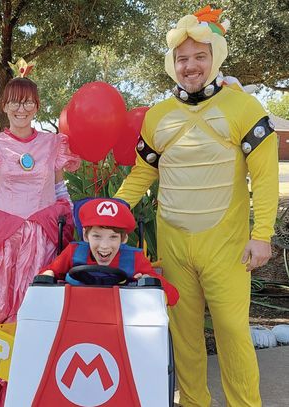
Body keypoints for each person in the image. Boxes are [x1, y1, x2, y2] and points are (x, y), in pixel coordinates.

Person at [114, 6, 278, 406]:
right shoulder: (157, 116)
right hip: (173, 245)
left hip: (227, 246)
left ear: (215, 58)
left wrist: (263, 236)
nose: (190, 66)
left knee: (232, 332)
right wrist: (110, 209)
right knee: (184, 335)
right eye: (182, 59)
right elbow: (141, 174)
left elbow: (266, 174)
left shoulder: (245, 109)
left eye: (199, 57)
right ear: (173, 65)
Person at [0, 73, 81, 406]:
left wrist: (72, 228)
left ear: (37, 105)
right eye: (14, 101)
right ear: (4, 105)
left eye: (27, 101)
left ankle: (35, 387)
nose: (20, 107)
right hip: (3, 246)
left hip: (41, 245)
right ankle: (0, 392)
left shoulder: (52, 144)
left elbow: (60, 191)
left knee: (35, 314)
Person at [39, 198, 179, 305]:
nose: (104, 246)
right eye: (97, 236)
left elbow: (172, 296)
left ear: (124, 238)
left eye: (113, 237)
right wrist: (48, 275)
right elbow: (44, 276)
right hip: (75, 316)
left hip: (120, 322)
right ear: (86, 235)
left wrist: (147, 283)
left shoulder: (134, 259)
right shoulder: (74, 252)